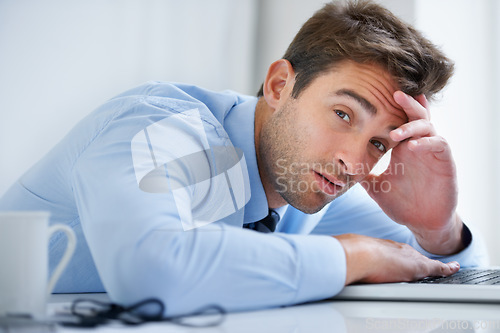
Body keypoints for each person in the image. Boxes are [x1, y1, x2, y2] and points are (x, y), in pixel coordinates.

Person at [0, 0, 488, 316]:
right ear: (280, 85)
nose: (353, 162)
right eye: (342, 114)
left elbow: (459, 291)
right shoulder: (164, 129)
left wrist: (437, 232)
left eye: (379, 144)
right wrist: (353, 256)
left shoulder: (314, 184)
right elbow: (150, 271)